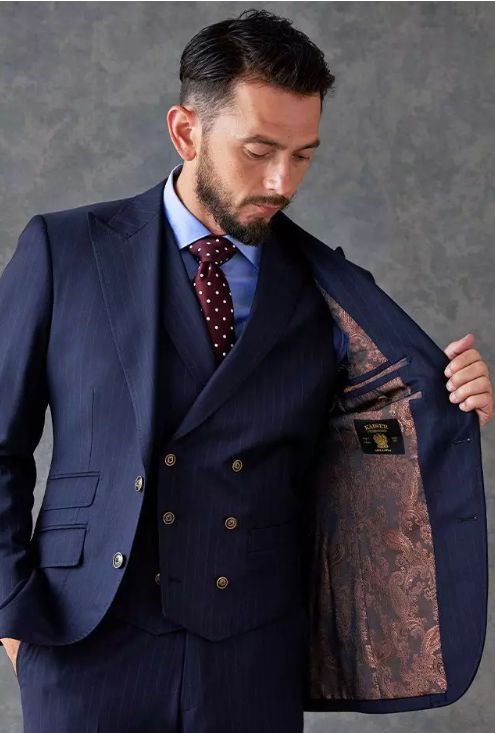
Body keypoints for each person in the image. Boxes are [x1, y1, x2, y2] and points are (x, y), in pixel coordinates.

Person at [0, 8, 492, 733]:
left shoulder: (330, 293)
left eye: (302, 155)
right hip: (84, 643)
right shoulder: (65, 250)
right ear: (186, 131)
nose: (281, 180)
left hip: (251, 658)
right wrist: (10, 610)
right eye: (258, 150)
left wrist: (450, 403)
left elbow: (368, 440)